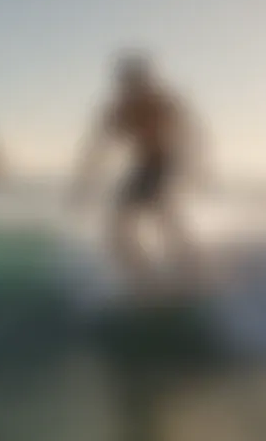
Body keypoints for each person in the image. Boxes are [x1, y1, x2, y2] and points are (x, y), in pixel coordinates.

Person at [69, 52, 207, 293]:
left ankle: (188, 273)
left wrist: (198, 170)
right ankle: (148, 280)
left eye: (139, 81)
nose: (135, 88)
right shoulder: (118, 110)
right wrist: (84, 184)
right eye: (129, 83)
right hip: (144, 166)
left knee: (161, 217)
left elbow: (191, 133)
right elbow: (96, 148)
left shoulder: (161, 102)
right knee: (119, 230)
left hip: (164, 162)